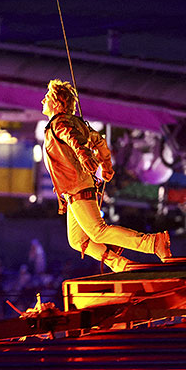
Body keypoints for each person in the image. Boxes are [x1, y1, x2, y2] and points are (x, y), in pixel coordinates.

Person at [41, 79, 171, 272]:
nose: (43, 100)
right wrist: (106, 165)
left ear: (57, 103)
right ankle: (121, 264)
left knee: (97, 232)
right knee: (77, 240)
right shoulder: (75, 122)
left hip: (78, 187)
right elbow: (98, 142)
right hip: (74, 189)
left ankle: (153, 243)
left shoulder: (59, 123)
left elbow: (74, 140)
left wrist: (87, 158)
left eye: (47, 97)